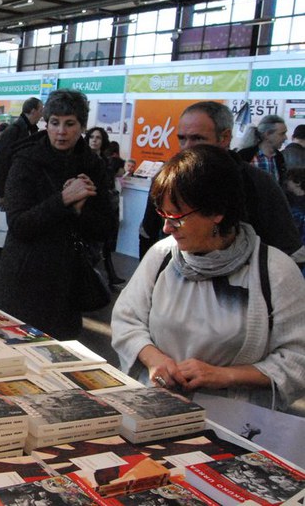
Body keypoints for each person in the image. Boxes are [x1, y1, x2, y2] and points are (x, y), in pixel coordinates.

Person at [112, 145, 305, 410]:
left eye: (177, 217)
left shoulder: (275, 271)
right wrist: (154, 359)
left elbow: (297, 359)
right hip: (156, 408)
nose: (167, 228)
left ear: (217, 212)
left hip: (233, 420)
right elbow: (127, 319)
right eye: (163, 216)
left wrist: (224, 375)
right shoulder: (163, 256)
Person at [0, 89, 115, 340]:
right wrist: (64, 200)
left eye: (70, 124)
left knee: (61, 356)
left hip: (67, 282)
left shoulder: (93, 165)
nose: (61, 131)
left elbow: (105, 227)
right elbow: (18, 224)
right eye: (54, 123)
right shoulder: (26, 159)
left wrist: (81, 211)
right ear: (45, 124)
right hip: (24, 277)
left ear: (81, 126)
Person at [140, 102, 304, 264]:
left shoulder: (258, 183)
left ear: (224, 137)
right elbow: (148, 234)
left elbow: (286, 248)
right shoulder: (166, 180)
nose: (187, 147)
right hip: (174, 279)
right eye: (182, 139)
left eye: (197, 138)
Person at [86, 126, 126, 287]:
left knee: (101, 246)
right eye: (92, 137)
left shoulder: (105, 161)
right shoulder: (83, 159)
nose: (95, 140)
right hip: (88, 208)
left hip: (102, 209)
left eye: (98, 138)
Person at [0, 97, 44, 209]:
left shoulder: (32, 131)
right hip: (11, 188)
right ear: (33, 111)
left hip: (25, 188)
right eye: (41, 110)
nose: (42, 114)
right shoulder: (13, 131)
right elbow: (1, 161)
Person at [236, 114, 288, 184]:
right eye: (282, 134)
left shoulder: (279, 158)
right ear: (267, 134)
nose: (285, 138)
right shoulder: (245, 155)